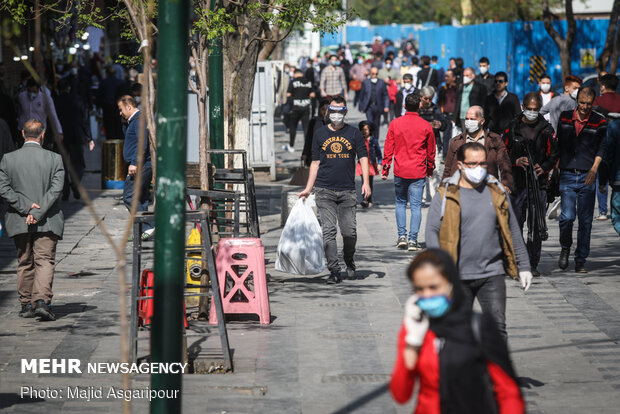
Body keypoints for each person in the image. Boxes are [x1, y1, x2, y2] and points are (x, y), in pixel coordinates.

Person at [389, 249, 525, 414]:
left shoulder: (478, 327)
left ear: (451, 283)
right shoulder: (415, 329)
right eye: (419, 289)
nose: (427, 295)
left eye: (434, 287)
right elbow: (400, 395)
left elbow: (508, 393)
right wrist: (412, 343)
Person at [427, 142, 532, 339]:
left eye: (482, 164)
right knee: (458, 332)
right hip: (456, 277)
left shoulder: (497, 192)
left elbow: (512, 229)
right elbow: (432, 231)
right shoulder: (446, 194)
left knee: (497, 330)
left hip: (492, 273)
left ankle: (496, 369)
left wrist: (524, 266)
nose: (478, 168)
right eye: (472, 163)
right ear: (460, 165)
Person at [298, 96, 371, 284]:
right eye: (334, 111)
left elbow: (363, 158)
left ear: (345, 112)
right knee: (328, 231)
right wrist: (308, 188)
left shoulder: (354, 133)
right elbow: (315, 163)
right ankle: (334, 270)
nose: (337, 115)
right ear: (329, 112)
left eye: (340, 111)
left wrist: (366, 182)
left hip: (347, 191)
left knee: (349, 232)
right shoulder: (320, 133)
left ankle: (349, 258)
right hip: (324, 190)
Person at [0, 119, 65, 321]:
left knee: (24, 261)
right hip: (47, 220)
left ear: (22, 133)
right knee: (44, 261)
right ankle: (42, 302)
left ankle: (26, 304)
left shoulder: (8, 159)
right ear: (43, 134)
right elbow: (56, 189)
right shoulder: (55, 159)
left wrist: (25, 207)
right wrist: (36, 211)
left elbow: (4, 188)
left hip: (19, 220)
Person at [504, 92, 559, 276]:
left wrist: (543, 168)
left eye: (536, 110)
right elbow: (502, 152)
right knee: (516, 224)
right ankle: (516, 262)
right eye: (529, 109)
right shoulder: (512, 127)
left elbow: (554, 155)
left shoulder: (546, 129)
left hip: (539, 185)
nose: (532, 113)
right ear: (523, 107)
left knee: (536, 227)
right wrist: (515, 161)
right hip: (517, 185)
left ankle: (532, 263)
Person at [556, 86, 607, 273]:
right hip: (567, 173)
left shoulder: (599, 121)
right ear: (577, 101)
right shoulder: (565, 117)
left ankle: (580, 259)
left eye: (588, 103)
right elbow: (558, 144)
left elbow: (602, 148)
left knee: (585, 220)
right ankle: (565, 247)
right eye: (581, 103)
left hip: (587, 174)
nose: (585, 107)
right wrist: (555, 168)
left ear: (593, 103)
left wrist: (594, 169)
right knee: (567, 217)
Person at [382, 92, 435, 251]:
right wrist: (430, 169)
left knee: (400, 202)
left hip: (400, 170)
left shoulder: (395, 123)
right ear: (419, 105)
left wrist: (385, 169)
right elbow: (430, 151)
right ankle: (413, 240)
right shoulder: (426, 125)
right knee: (416, 206)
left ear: (404, 106)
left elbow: (388, 148)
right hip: (418, 171)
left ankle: (401, 237)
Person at [443, 105, 513, 191]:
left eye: (472, 119)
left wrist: (506, 185)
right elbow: (448, 168)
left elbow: (504, 163)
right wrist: (443, 189)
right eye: (467, 119)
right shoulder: (456, 141)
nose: (468, 122)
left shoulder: (494, 140)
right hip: (461, 189)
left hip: (487, 189)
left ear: (482, 121)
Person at [117, 95, 153, 240]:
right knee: (141, 198)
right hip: (143, 165)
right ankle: (140, 231)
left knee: (129, 196)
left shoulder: (139, 121)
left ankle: (148, 226)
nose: (120, 113)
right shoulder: (134, 121)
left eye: (121, 109)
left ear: (129, 107)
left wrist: (134, 162)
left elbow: (141, 144)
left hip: (141, 165)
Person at [54, 78, 95, 201]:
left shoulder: (55, 101)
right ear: (69, 88)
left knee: (61, 165)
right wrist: (89, 137)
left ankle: (65, 190)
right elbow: (84, 120)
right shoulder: (77, 100)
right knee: (78, 163)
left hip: (60, 136)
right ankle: (75, 184)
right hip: (76, 136)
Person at [17, 78, 63, 146]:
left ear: (38, 89)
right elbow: (19, 112)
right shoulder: (21, 97)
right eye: (30, 91)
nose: (32, 93)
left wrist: (59, 132)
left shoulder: (45, 99)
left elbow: (53, 115)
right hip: (24, 132)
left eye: (34, 91)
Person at [284, 69, 315, 153]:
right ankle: (307, 147)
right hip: (306, 107)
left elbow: (288, 94)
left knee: (293, 127)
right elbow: (312, 94)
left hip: (295, 108)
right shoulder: (308, 82)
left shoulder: (293, 82)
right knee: (306, 128)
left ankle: (291, 145)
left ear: (295, 75)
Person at [600, 118, 620, 235]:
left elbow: (607, 156)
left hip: (618, 179)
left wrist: (602, 181)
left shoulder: (614, 126)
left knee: (617, 216)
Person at [358, 67, 389, 138]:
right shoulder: (366, 82)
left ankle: (376, 140)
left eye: (376, 74)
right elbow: (361, 95)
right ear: (370, 73)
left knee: (376, 124)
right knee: (369, 123)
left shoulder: (381, 83)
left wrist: (386, 106)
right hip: (369, 106)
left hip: (378, 106)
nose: (374, 75)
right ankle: (370, 139)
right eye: (373, 74)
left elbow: (385, 95)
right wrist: (361, 106)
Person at [454, 67, 487, 132]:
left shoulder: (480, 88)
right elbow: (457, 102)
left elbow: (483, 103)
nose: (465, 77)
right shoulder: (461, 87)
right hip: (462, 116)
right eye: (464, 75)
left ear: (473, 76)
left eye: (467, 75)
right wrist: (454, 117)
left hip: (474, 117)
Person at [357, 121, 381, 208]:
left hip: (371, 164)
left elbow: (378, 153)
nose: (364, 132)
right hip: (361, 164)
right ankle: (364, 199)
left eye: (366, 130)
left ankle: (369, 199)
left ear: (370, 130)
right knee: (364, 181)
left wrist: (380, 163)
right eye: (362, 130)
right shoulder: (359, 140)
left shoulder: (373, 141)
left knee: (369, 182)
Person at [97, 66, 125, 140]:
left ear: (107, 73)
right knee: (118, 126)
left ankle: (110, 143)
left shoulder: (103, 82)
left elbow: (99, 96)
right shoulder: (120, 82)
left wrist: (98, 107)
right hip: (118, 108)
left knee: (109, 127)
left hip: (107, 107)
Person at [437, 69, 458, 159]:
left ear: (453, 78)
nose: (446, 78)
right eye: (445, 76)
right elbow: (439, 102)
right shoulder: (443, 89)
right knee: (446, 136)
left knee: (456, 137)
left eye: (448, 76)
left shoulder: (458, 89)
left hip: (455, 116)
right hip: (445, 116)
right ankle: (445, 156)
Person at [302, 98, 329, 167]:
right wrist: (304, 154)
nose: (325, 112)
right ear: (319, 109)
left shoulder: (334, 123)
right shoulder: (314, 121)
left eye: (327, 109)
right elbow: (308, 138)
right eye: (323, 109)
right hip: (314, 155)